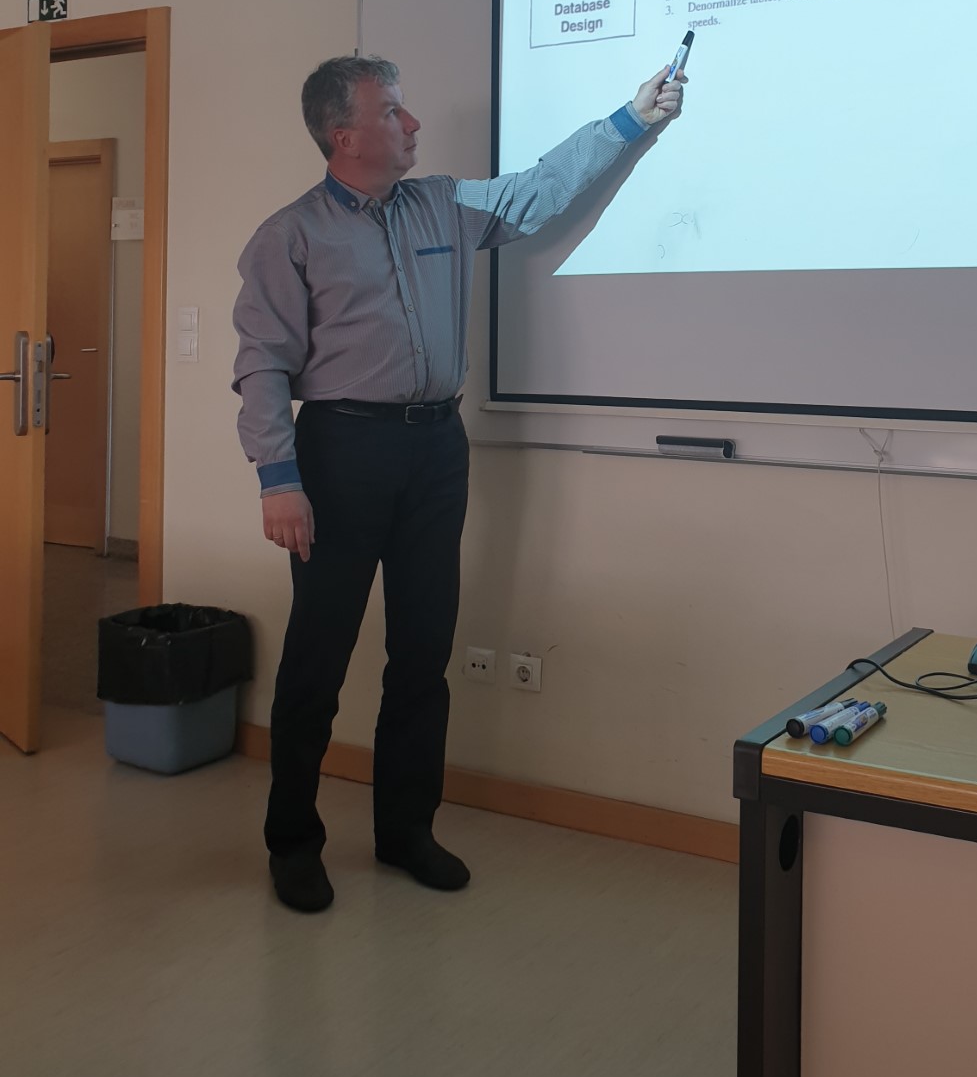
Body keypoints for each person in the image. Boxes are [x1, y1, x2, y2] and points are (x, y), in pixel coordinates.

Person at [232, 53, 686, 912]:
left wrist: (632, 120)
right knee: (318, 659)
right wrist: (277, 479)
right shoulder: (290, 236)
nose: (412, 125)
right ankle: (292, 841)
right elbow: (262, 366)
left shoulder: (443, 202)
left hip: (436, 448)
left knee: (423, 652)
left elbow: (538, 191)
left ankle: (406, 831)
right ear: (344, 135)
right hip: (340, 452)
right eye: (393, 112)